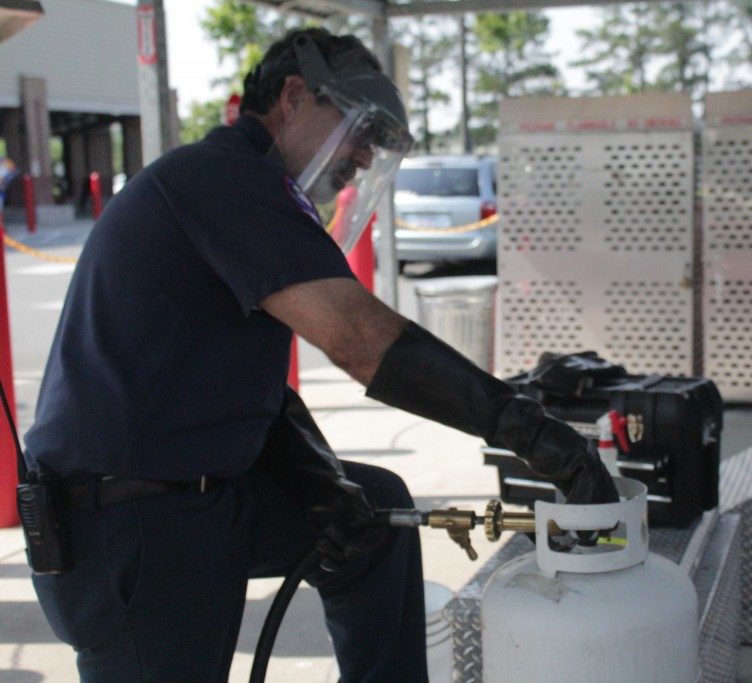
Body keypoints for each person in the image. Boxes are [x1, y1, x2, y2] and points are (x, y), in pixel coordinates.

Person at [22, 28, 617, 682]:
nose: (362, 158)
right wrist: (531, 432)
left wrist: (315, 475)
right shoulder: (225, 178)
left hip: (188, 498)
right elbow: (358, 340)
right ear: (293, 95)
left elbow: (240, 383)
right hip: (125, 525)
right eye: (360, 128)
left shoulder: (248, 191)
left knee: (375, 515)